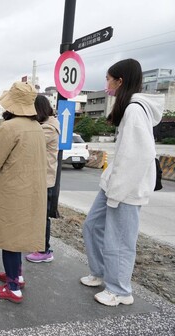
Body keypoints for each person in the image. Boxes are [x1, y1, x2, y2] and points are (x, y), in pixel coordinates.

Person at [80, 59, 163, 307]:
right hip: (115, 184)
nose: (106, 84)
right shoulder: (130, 108)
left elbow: (138, 156)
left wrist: (118, 191)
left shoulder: (135, 110)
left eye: (108, 79)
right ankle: (101, 272)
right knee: (92, 226)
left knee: (120, 239)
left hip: (126, 188)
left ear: (120, 81)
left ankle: (120, 291)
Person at [0, 82, 47, 304]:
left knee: (9, 239)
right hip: (31, 191)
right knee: (18, 236)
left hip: (11, 191)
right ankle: (16, 275)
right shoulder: (36, 127)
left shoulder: (9, 127)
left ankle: (13, 287)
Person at [26, 95, 60, 263]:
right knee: (37, 215)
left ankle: (44, 250)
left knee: (41, 216)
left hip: (45, 180)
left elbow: (30, 144)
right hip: (41, 179)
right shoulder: (45, 125)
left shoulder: (48, 129)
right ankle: (39, 247)